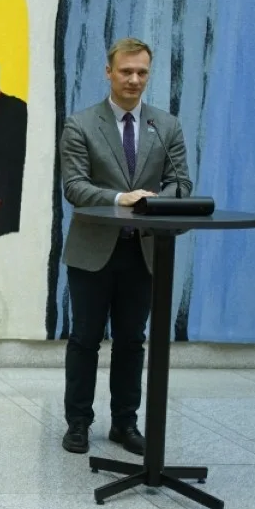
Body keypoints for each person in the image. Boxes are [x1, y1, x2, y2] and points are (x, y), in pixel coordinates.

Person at [59, 37, 192, 455]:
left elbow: (181, 183)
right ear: (109, 72)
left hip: (146, 251)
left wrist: (156, 202)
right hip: (93, 251)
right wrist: (122, 199)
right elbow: (75, 187)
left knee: (133, 340)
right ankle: (78, 423)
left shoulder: (165, 125)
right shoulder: (81, 124)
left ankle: (125, 423)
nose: (134, 80)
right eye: (126, 71)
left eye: (142, 73)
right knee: (84, 339)